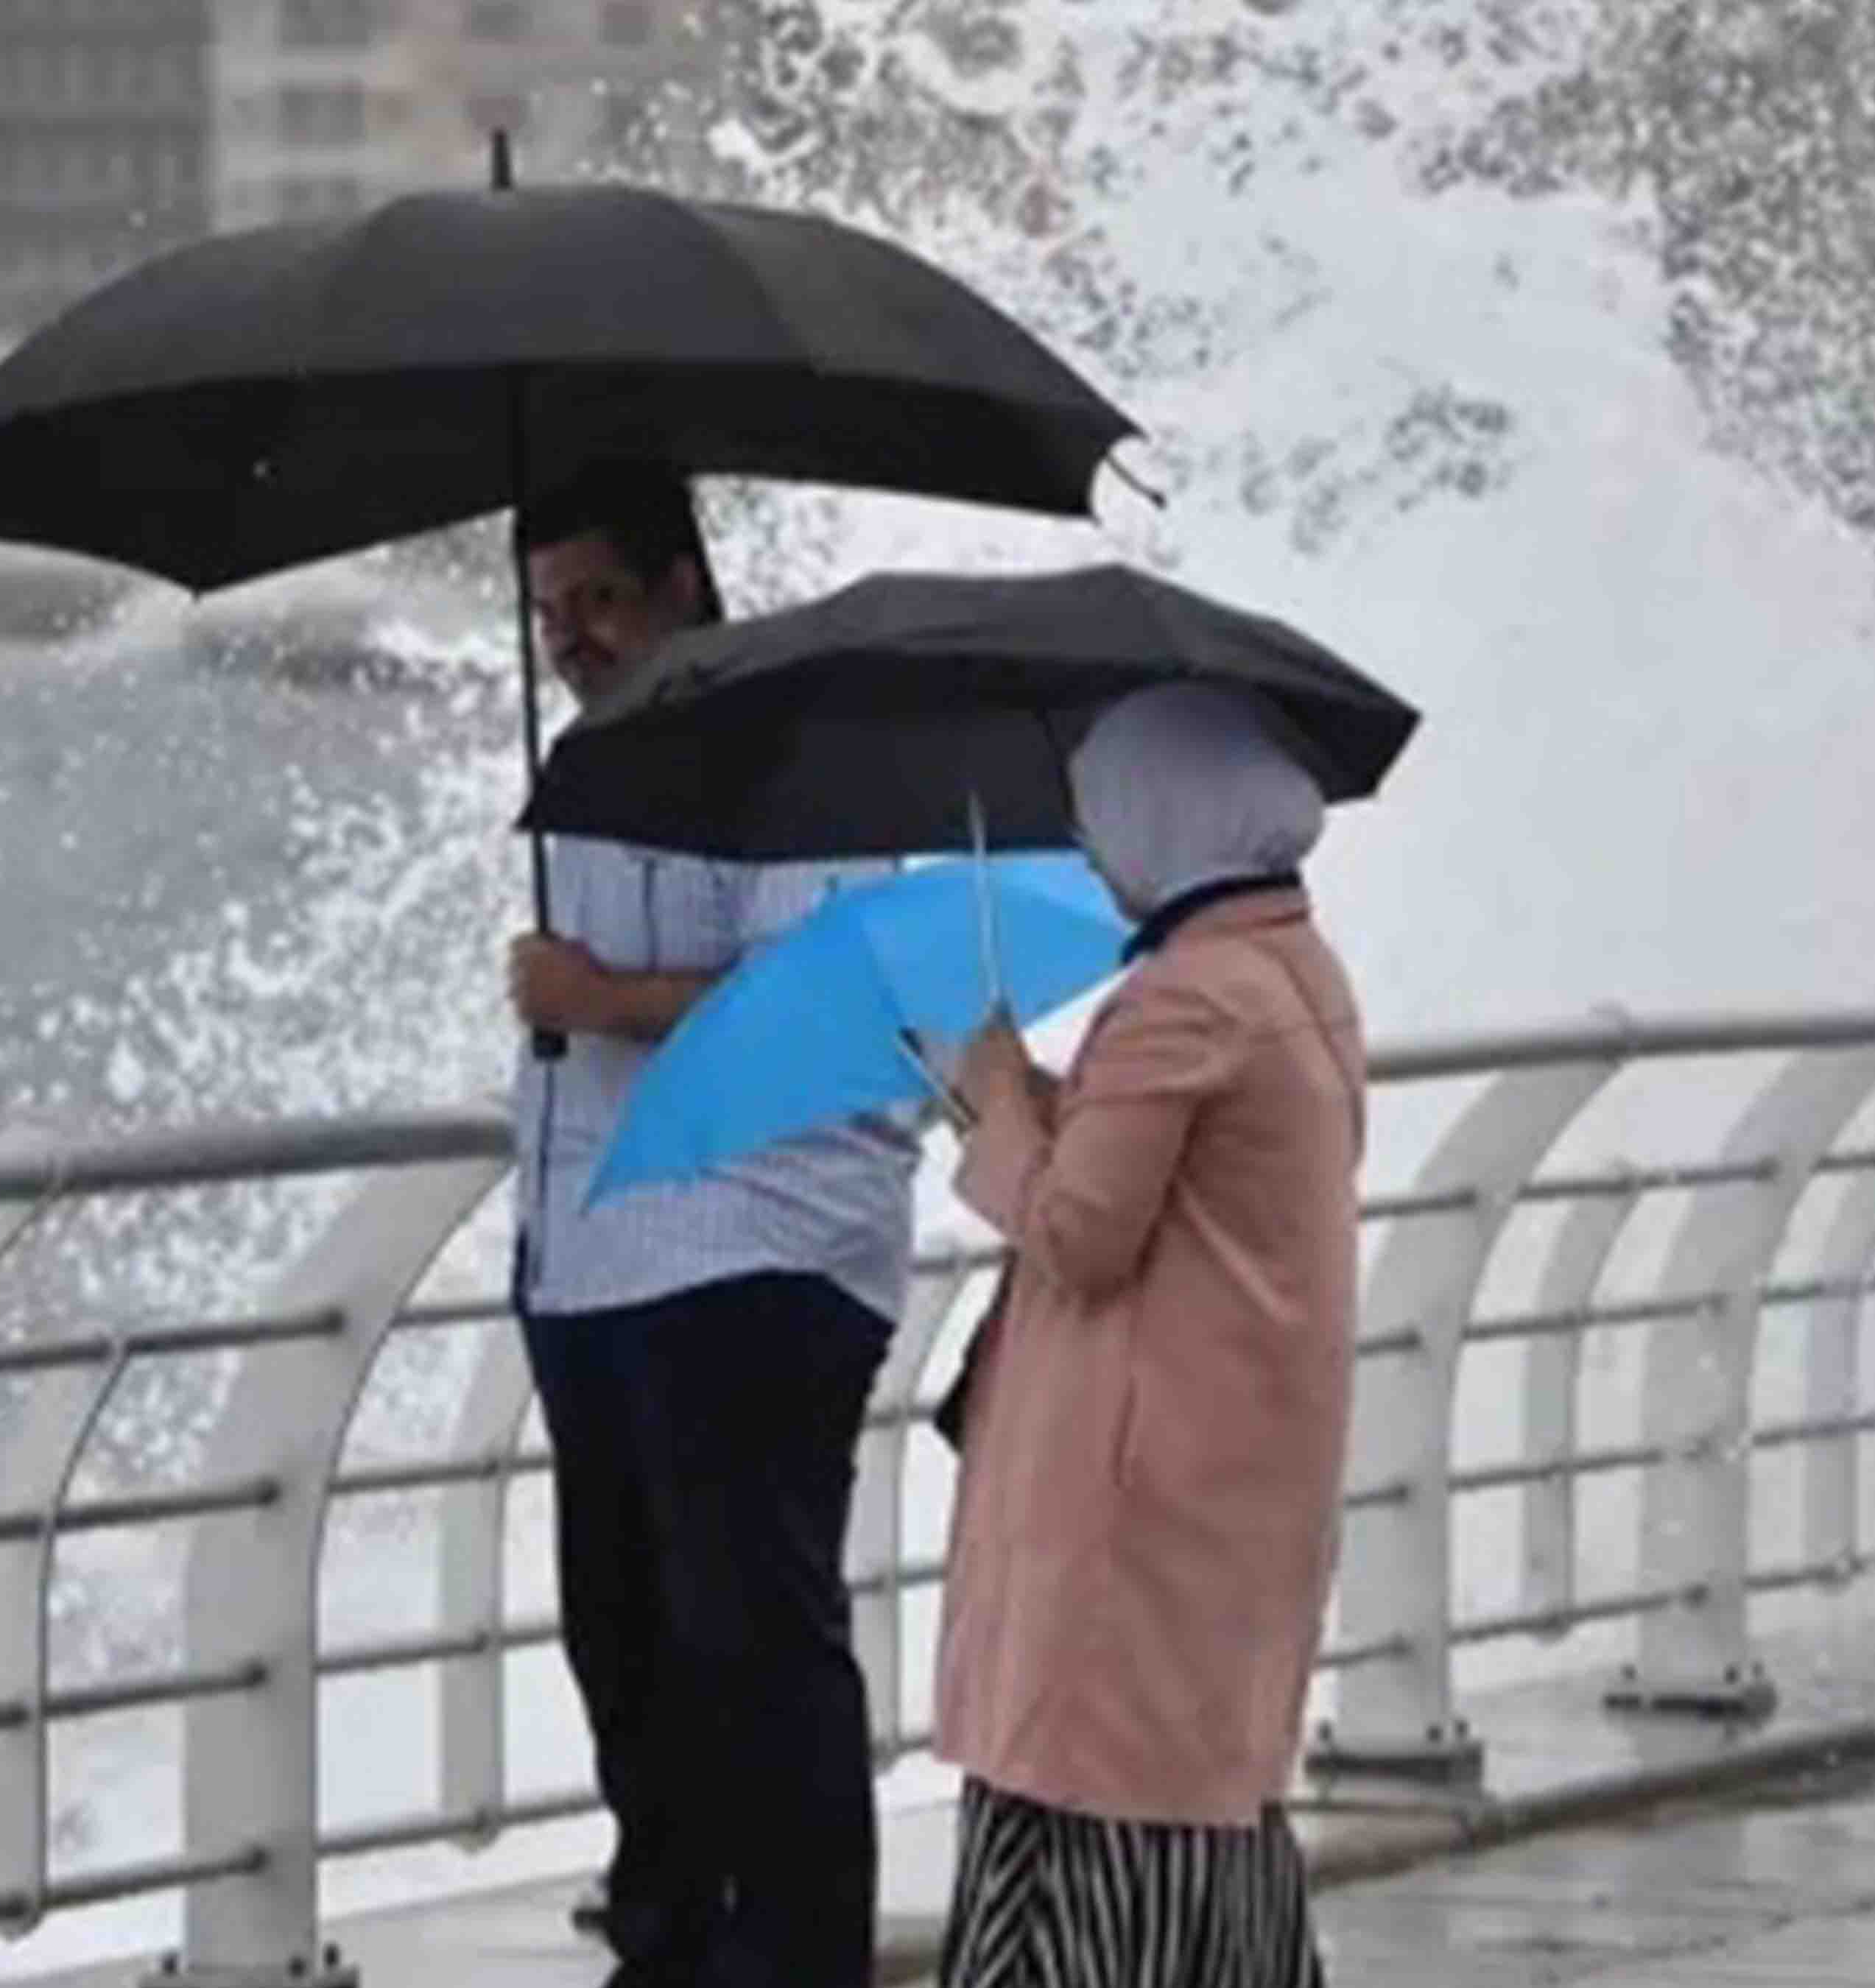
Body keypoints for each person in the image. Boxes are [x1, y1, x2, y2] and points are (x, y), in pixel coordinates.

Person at [502, 460, 919, 1988]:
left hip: (759, 1250)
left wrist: (598, 996)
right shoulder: (580, 762)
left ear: (686, 580)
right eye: (549, 611)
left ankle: (797, 1960)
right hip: (592, 1256)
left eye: (602, 598)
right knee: (622, 1637)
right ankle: (669, 1941)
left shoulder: (788, 740)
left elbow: (825, 1002)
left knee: (752, 1636)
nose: (575, 636)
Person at [935, 680, 1362, 1987]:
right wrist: (1033, 1101)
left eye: (1105, 808)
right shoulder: (1294, 969)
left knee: (1090, 1815)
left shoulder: (1185, 997)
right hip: (1234, 1479)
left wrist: (993, 1100)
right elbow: (1174, 1170)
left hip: (1134, 1508)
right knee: (1201, 1800)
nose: (1092, 842)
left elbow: (1081, 1233)